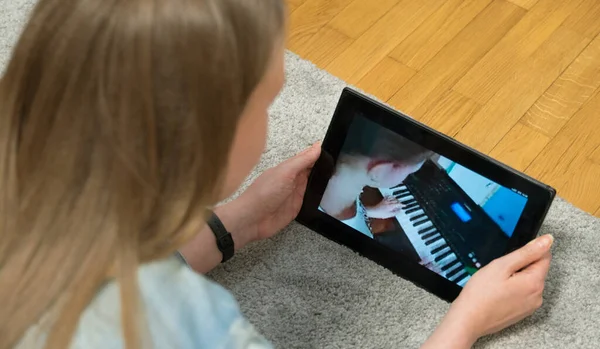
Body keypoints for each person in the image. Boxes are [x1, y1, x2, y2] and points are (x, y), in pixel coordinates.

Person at [0, 1, 553, 348]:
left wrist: (234, 225)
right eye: (269, 100)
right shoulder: (191, 323)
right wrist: (466, 323)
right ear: (208, 139)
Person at [320, 116, 434, 238]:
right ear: (379, 171)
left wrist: (372, 211)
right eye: (408, 173)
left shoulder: (340, 181)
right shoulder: (345, 238)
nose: (404, 180)